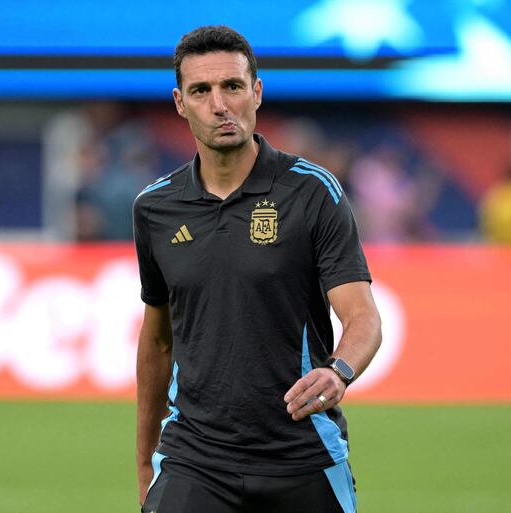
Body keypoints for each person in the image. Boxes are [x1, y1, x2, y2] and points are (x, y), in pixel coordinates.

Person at [133, 26, 381, 513]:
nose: (220, 104)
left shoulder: (312, 192)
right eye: (202, 91)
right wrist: (145, 463)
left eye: (233, 86)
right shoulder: (154, 207)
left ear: (257, 92)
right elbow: (158, 340)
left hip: (302, 454)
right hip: (194, 459)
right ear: (181, 104)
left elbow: (363, 318)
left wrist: (339, 371)